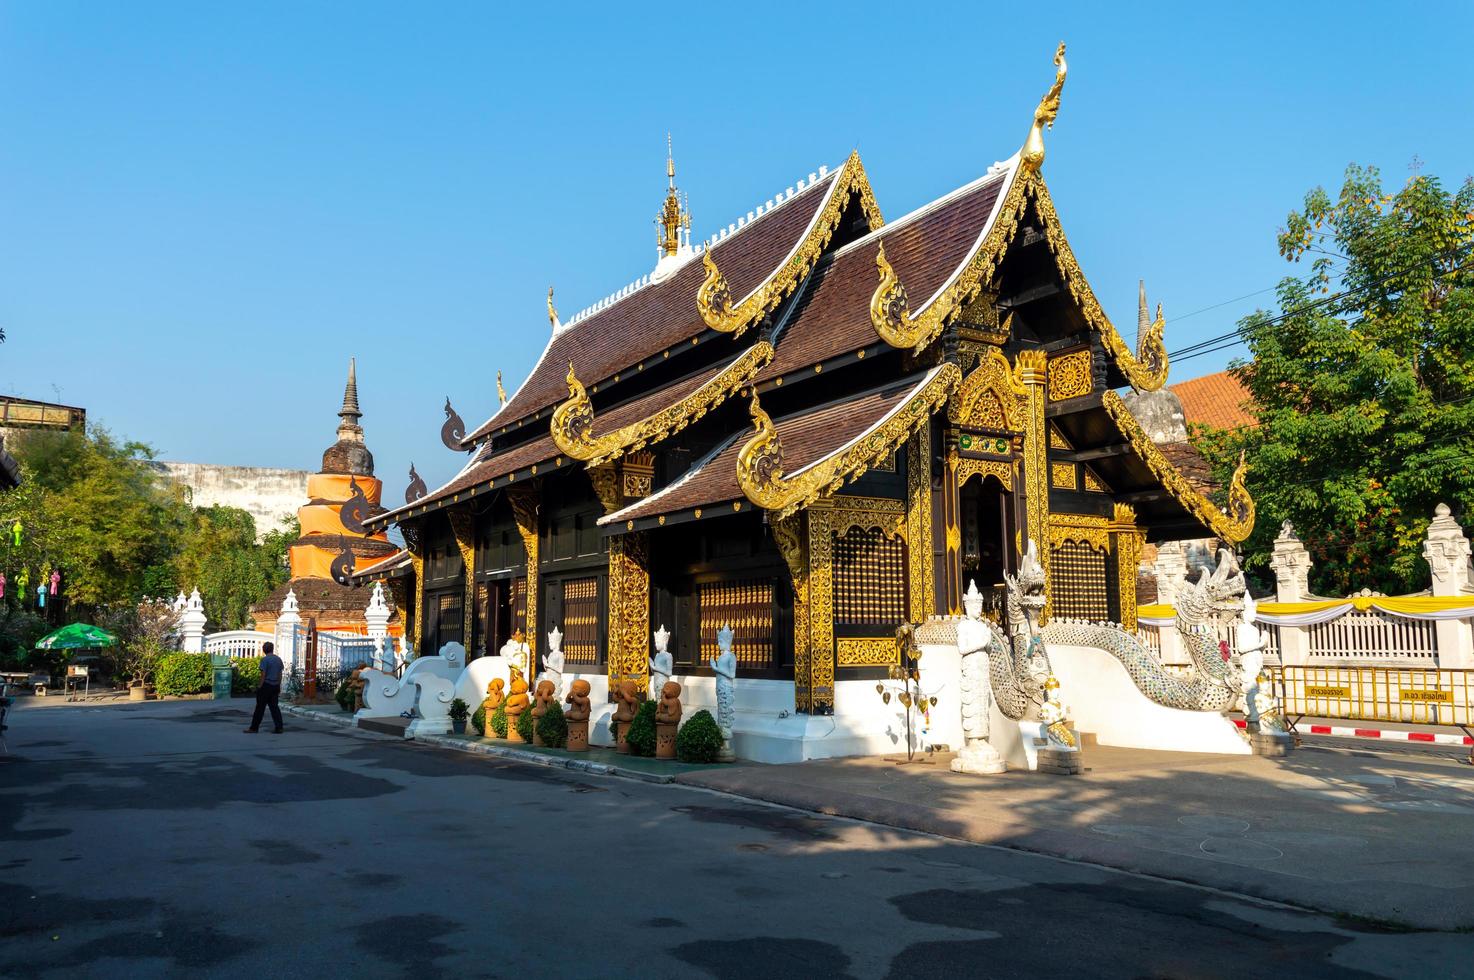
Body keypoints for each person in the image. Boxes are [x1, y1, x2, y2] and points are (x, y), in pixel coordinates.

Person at [244, 641, 284, 734]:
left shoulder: (265, 660)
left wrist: (259, 686)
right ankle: (279, 727)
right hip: (275, 686)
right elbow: (280, 674)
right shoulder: (278, 659)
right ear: (272, 649)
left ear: (264, 650)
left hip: (266, 685)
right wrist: (278, 684)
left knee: (260, 708)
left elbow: (263, 674)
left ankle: (254, 728)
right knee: (274, 707)